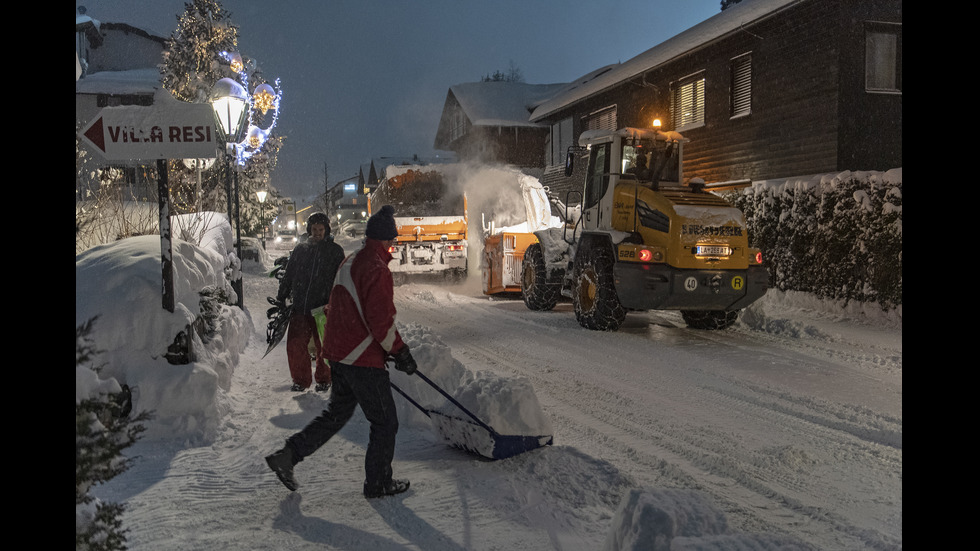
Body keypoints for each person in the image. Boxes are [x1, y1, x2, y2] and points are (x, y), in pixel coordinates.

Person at [265, 205, 418, 498]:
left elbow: (343, 308)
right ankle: (378, 483)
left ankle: (288, 456)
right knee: (385, 422)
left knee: (335, 415)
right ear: (386, 240)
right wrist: (400, 351)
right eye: (393, 240)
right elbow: (380, 320)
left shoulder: (351, 261)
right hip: (360, 358)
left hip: (339, 354)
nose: (393, 246)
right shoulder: (376, 268)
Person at [275, 212, 346, 392]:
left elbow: (342, 278)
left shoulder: (335, 251)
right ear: (309, 230)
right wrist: (281, 295)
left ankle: (324, 379)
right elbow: (290, 274)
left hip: (323, 308)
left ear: (326, 230)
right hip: (301, 306)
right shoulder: (301, 250)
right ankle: (300, 380)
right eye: (314, 229)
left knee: (325, 346)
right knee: (295, 344)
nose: (317, 233)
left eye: (320, 229)